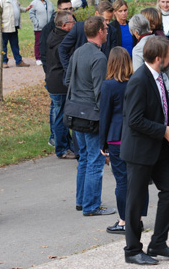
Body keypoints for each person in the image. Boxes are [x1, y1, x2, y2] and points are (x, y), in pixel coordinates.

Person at [121, 36, 169, 265]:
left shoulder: (159, 77)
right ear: (159, 58)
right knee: (136, 200)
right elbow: (134, 120)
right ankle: (132, 250)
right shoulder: (139, 80)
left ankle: (158, 242)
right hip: (140, 150)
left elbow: (156, 109)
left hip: (157, 146)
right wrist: (163, 130)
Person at [64, 16, 116, 216]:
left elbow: (68, 79)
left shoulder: (78, 52)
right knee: (95, 160)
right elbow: (100, 92)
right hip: (91, 115)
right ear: (100, 32)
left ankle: (82, 200)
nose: (107, 31)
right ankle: (91, 205)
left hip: (75, 113)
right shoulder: (99, 57)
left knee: (84, 158)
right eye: (105, 28)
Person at [99, 47, 148, 235]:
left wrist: (102, 142)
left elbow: (105, 115)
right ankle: (138, 218)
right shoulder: (137, 82)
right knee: (138, 179)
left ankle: (124, 220)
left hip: (116, 137)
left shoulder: (109, 85)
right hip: (137, 135)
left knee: (122, 181)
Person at [45, 11, 77, 159]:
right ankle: (62, 149)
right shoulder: (62, 42)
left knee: (59, 115)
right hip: (59, 84)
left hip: (53, 81)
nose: (75, 24)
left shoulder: (54, 34)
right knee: (60, 118)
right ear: (64, 26)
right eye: (72, 23)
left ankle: (67, 145)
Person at [59, 1, 116, 74]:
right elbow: (62, 48)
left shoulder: (112, 31)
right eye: (105, 20)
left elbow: (112, 55)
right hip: (80, 74)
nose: (108, 23)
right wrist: (70, 71)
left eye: (110, 20)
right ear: (97, 14)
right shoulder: (79, 28)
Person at [0, 0, 32, 68]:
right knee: (3, 45)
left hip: (14, 25)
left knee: (15, 44)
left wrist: (25, 9)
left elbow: (17, 7)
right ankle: (4, 61)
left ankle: (19, 61)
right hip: (5, 26)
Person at [38, 0, 73, 75]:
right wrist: (48, 73)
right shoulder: (48, 29)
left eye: (70, 8)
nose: (69, 11)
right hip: (55, 72)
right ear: (58, 10)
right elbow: (43, 52)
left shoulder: (75, 24)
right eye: (65, 9)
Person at [29, 0, 55, 66]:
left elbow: (53, 12)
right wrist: (36, 23)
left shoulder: (49, 3)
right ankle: (38, 58)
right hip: (39, 27)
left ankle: (47, 56)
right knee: (38, 42)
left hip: (48, 27)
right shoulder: (34, 3)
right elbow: (31, 14)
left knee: (48, 41)